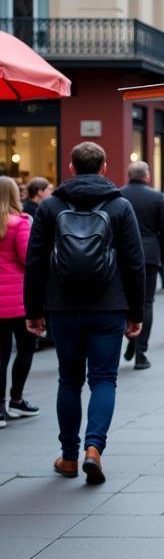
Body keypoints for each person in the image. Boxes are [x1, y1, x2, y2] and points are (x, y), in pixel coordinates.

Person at [23, 141, 145, 485]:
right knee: (104, 379)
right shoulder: (120, 205)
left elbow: (35, 262)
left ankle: (69, 456)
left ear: (71, 167)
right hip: (109, 305)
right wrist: (136, 312)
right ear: (104, 167)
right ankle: (95, 448)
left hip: (62, 306)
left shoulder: (50, 206)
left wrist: (33, 309)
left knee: (69, 381)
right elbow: (135, 265)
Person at [119, 161, 164, 370]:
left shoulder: (119, 195)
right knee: (146, 303)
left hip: (123, 255)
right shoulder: (156, 197)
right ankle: (141, 352)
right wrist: (162, 256)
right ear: (147, 176)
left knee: (126, 301)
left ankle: (132, 340)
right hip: (149, 255)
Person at [0, 176, 37, 427]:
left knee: (0, 354)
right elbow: (28, 259)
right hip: (18, 301)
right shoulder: (19, 223)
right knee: (25, 348)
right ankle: (16, 398)